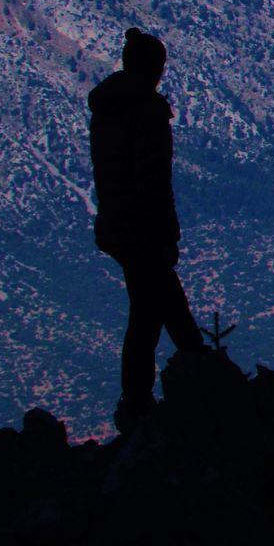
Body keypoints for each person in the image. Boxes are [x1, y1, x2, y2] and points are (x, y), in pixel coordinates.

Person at [88, 27, 202, 431]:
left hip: (117, 225)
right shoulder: (146, 112)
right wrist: (166, 234)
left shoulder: (108, 110)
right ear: (155, 68)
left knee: (150, 309)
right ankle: (196, 379)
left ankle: (144, 399)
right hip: (142, 230)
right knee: (158, 307)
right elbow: (154, 182)